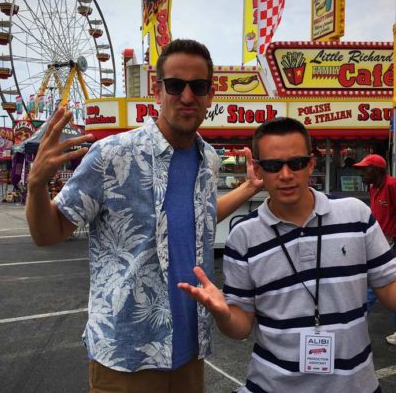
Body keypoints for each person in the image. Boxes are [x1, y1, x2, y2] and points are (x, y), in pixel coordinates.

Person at [25, 39, 262, 392]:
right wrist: (36, 186)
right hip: (126, 354)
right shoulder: (111, 155)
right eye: (175, 85)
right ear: (158, 90)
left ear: (210, 95)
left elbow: (199, 216)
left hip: (189, 352)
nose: (186, 96)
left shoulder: (209, 160)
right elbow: (48, 234)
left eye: (198, 87)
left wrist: (247, 188)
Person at [178, 117, 396, 392]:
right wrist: (223, 314)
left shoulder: (354, 215)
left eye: (297, 163)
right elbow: (240, 327)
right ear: (258, 169)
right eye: (273, 165)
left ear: (311, 164)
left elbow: (393, 290)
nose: (286, 174)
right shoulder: (243, 235)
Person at [354, 154, 396, 346]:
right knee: (388, 287)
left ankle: (349, 324)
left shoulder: (392, 185)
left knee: (373, 287)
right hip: (377, 242)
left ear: (379, 170)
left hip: (389, 245)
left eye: (365, 169)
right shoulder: (374, 187)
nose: (361, 174)